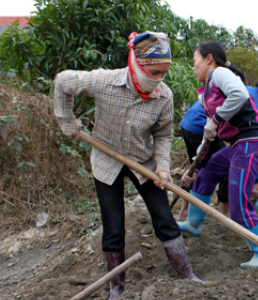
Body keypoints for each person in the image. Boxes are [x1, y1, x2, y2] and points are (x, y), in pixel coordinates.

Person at [53, 32, 202, 300]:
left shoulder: (164, 97)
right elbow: (63, 82)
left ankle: (186, 276)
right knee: (113, 227)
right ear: (138, 64)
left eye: (163, 74)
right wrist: (66, 121)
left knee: (165, 219)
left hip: (143, 162)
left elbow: (164, 134)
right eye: (154, 72)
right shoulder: (104, 81)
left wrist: (164, 167)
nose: (158, 79)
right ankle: (117, 287)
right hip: (105, 159)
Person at [178, 41, 258, 269]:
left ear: (208, 59)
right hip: (237, 145)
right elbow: (210, 133)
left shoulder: (220, 73)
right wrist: (197, 162)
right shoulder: (205, 92)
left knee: (238, 198)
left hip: (251, 143)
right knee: (207, 173)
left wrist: (216, 120)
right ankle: (194, 222)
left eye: (195, 61)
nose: (193, 67)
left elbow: (239, 95)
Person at [177, 73, 258, 220]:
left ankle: (187, 215)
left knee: (200, 168)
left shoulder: (242, 92)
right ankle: (224, 214)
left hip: (189, 124)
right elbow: (251, 143)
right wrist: (254, 180)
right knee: (225, 167)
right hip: (203, 124)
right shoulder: (251, 99)